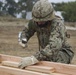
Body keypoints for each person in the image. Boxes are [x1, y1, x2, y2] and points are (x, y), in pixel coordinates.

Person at [18, 0, 74, 69]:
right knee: (43, 60)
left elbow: (53, 47)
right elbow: (26, 31)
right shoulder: (35, 21)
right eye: (37, 21)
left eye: (42, 21)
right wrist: (23, 39)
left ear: (49, 18)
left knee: (48, 59)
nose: (39, 23)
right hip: (46, 52)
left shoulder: (57, 24)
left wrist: (33, 59)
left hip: (63, 52)